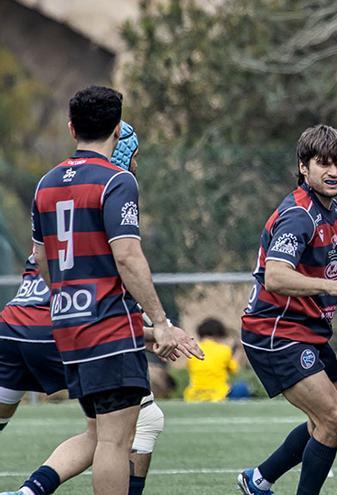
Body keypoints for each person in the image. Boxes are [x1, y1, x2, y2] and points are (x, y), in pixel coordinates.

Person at [28, 87, 202, 495]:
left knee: (99, 431)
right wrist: (161, 322)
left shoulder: (45, 183)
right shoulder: (117, 180)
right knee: (114, 440)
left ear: (72, 127)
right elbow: (128, 257)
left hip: (69, 324)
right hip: (108, 327)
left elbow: (40, 259)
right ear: (119, 128)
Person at [236, 125, 337, 495]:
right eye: (323, 163)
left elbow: (330, 270)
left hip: (307, 330)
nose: (334, 171)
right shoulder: (299, 215)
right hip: (276, 332)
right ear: (304, 168)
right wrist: (331, 286)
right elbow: (275, 276)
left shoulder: (332, 210)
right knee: (334, 419)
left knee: (322, 421)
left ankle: (258, 479)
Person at [184, 318, 240, 402]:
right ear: (219, 334)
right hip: (219, 395)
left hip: (194, 396)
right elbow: (234, 369)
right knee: (241, 387)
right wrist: (239, 350)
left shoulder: (192, 350)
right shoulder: (224, 349)